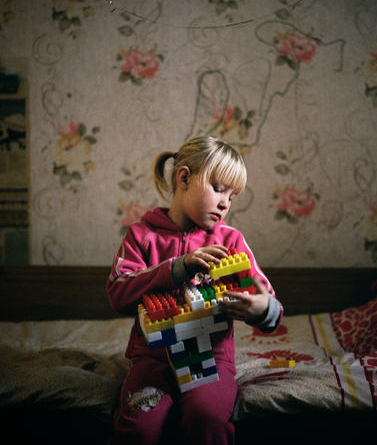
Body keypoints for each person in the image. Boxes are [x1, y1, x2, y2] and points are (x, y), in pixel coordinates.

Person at [106, 136, 282, 444]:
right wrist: (178, 268)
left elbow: (270, 303)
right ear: (184, 178)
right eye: (218, 188)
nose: (226, 202)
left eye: (233, 196)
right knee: (139, 429)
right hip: (153, 362)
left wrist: (261, 308)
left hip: (211, 361)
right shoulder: (141, 236)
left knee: (207, 419)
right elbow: (118, 293)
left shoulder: (231, 242)